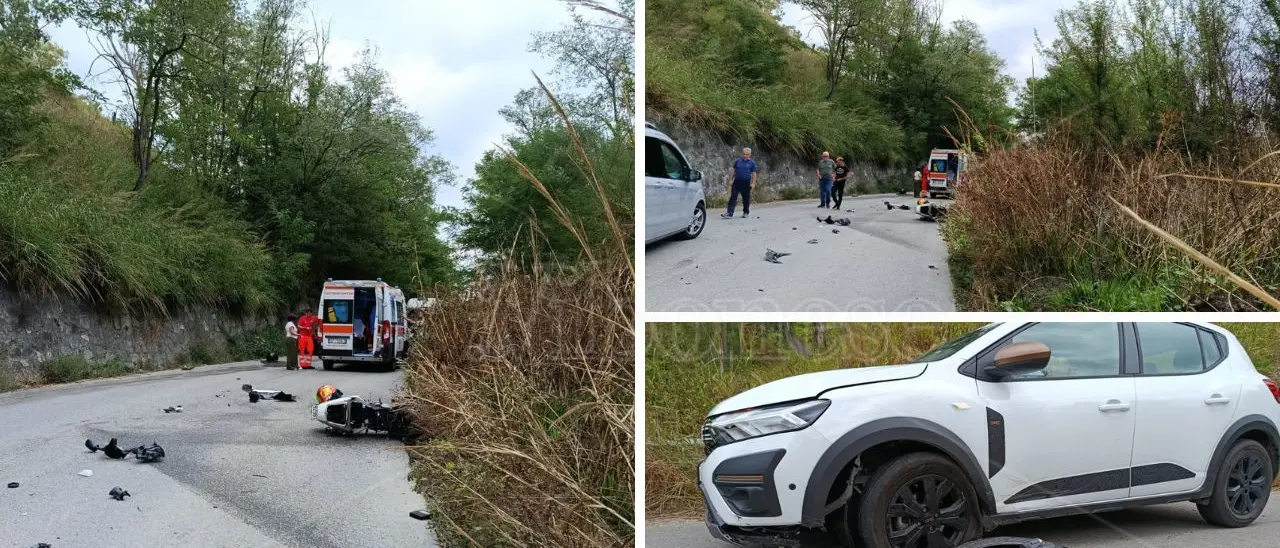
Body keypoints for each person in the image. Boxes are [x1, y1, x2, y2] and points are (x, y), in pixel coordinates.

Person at [722, 147, 757, 219]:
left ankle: (746, 212)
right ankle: (729, 213)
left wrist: (753, 183)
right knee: (733, 198)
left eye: (747, 154)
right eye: (744, 154)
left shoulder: (752, 163)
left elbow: (754, 173)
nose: (745, 156)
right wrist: (730, 179)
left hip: (746, 183)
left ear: (750, 154)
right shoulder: (738, 161)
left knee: (746, 198)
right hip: (737, 182)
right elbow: (734, 170)